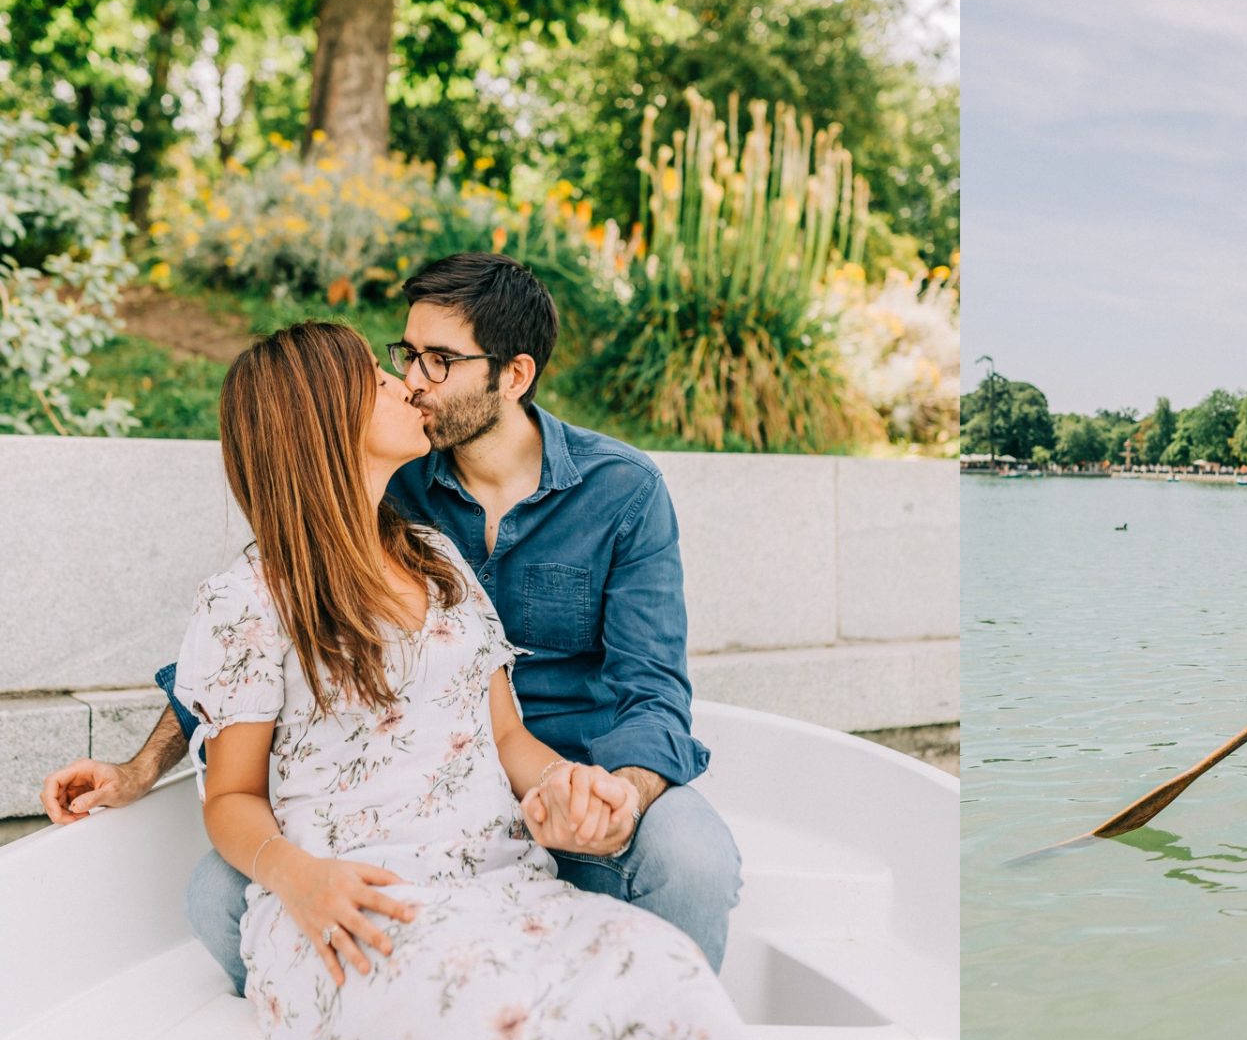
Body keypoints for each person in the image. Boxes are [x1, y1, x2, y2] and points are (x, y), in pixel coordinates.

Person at [42, 253, 740, 994]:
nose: (411, 381)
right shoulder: (383, 472)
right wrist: (141, 768)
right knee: (220, 894)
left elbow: (652, 690)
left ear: (514, 376)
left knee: (692, 856)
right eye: (406, 356)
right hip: (393, 811)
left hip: (562, 773)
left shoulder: (621, 492)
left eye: (439, 361)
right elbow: (255, 640)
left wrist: (613, 798)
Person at [174, 321, 774, 1040]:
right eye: (381, 380)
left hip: (499, 885)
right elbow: (230, 797)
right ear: (325, 421)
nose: (406, 385)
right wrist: (299, 880)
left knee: (662, 973)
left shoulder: (434, 559)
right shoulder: (247, 599)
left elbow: (506, 736)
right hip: (362, 907)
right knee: (495, 1020)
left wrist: (575, 785)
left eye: (423, 366)